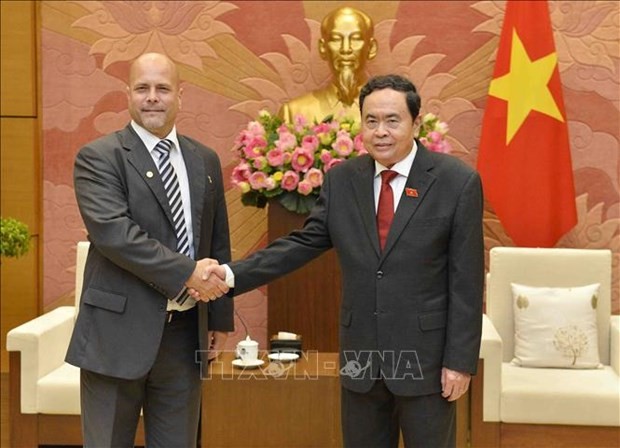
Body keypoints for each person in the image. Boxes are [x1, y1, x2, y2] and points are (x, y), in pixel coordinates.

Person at [201, 74, 484, 447]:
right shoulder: (343, 180)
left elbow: (467, 281)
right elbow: (301, 244)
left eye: (392, 120)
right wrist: (230, 274)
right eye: (371, 121)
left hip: (427, 363)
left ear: (416, 123)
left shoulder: (456, 182)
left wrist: (460, 363)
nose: (380, 131)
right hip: (361, 360)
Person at [65, 52, 233, 447]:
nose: (152, 97)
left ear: (181, 95)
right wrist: (186, 274)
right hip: (115, 336)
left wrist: (219, 317)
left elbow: (217, 240)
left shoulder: (204, 159)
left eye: (163, 88)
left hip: (184, 336)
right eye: (143, 88)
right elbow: (115, 234)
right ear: (127, 94)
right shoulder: (99, 157)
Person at [279, 6, 378, 124]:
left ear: (371, 48)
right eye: (336, 39)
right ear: (323, 48)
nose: (345, 49)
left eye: (356, 39)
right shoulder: (294, 113)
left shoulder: (393, 110)